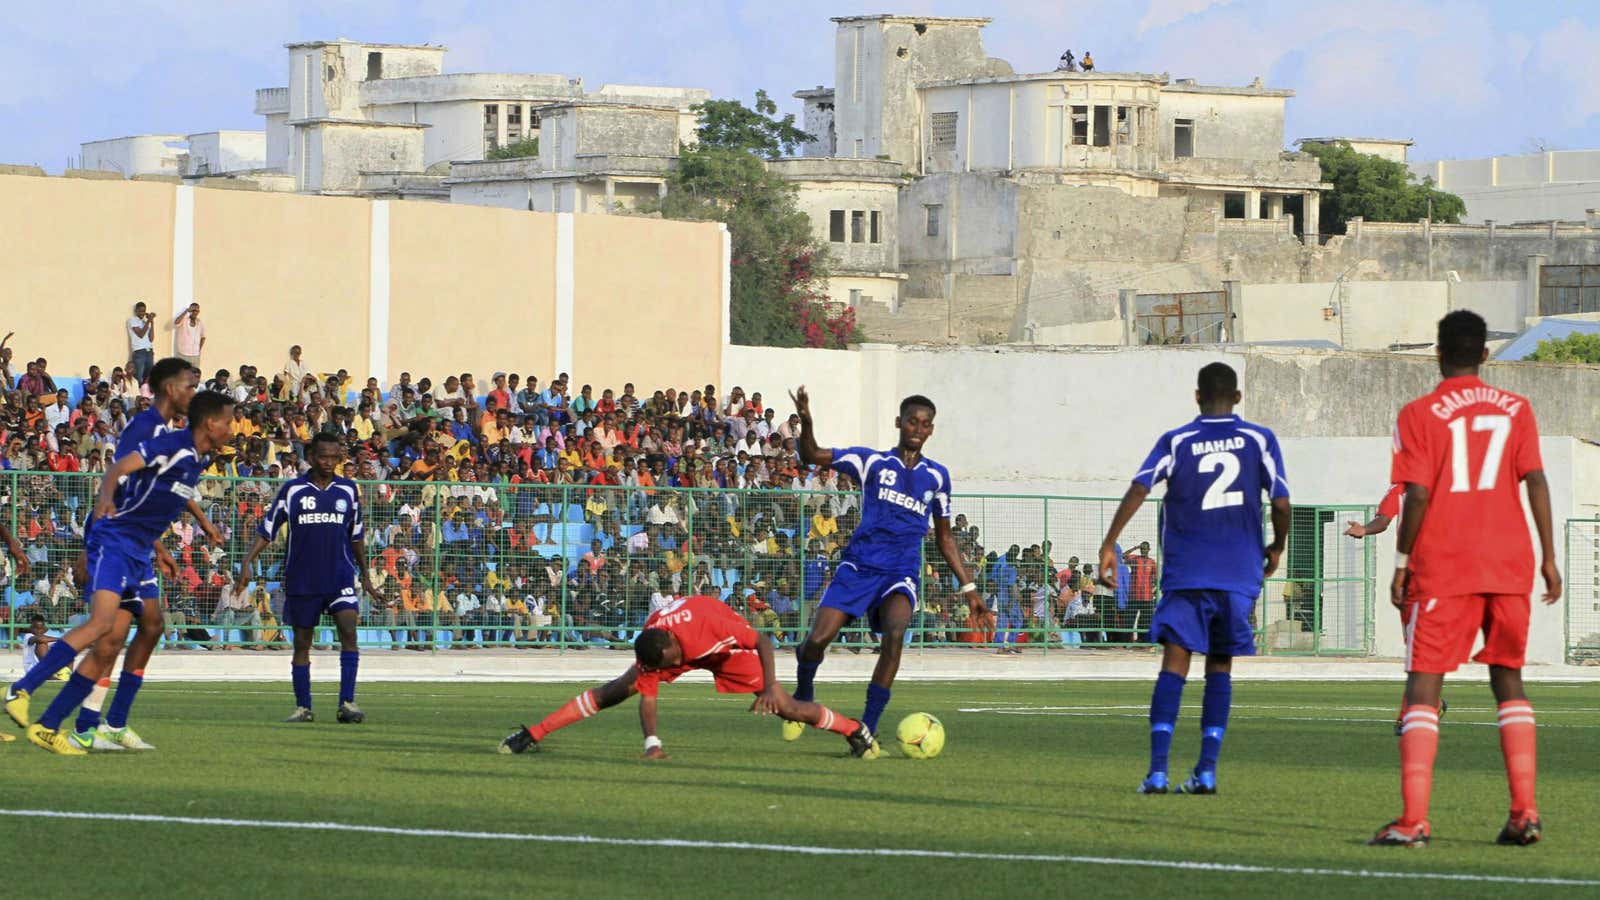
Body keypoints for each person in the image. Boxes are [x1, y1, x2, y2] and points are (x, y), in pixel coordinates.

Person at [1367, 310, 1561, 848]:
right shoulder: (1517, 409)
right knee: (1509, 680)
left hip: (1446, 563)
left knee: (1424, 685)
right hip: (1510, 561)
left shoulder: (1418, 413)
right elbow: (1536, 479)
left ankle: (1413, 821)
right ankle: (1524, 813)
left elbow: (1420, 494)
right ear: (1484, 354)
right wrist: (1549, 556)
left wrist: (1403, 563)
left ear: (1437, 352)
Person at [1098, 362, 1291, 795]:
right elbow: (1280, 501)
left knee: (1175, 663)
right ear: (1237, 398)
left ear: (1197, 396)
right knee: (1220, 666)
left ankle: (1158, 772)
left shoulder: (1178, 440)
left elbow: (1140, 486)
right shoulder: (1260, 439)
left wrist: (1111, 542)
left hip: (1188, 571)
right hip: (1239, 574)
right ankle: (1206, 771)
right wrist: (1277, 546)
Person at [8, 390, 234, 755]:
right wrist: (102, 505)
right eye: (228, 420)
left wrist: (187, 531)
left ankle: (58, 725)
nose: (232, 427)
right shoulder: (163, 438)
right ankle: (24, 688)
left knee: (129, 633)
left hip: (138, 550)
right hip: (114, 541)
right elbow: (118, 469)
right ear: (211, 423)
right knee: (101, 628)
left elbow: (162, 493)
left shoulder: (193, 458)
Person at [783, 387, 987, 755]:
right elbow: (812, 454)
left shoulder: (937, 477)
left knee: (895, 636)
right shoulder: (872, 462)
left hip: (900, 572)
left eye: (925, 424)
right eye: (912, 421)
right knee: (816, 641)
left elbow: (945, 537)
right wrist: (807, 422)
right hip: (859, 566)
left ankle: (866, 731)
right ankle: (803, 695)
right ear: (899, 422)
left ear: (931, 431)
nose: (917, 428)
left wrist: (969, 588)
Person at [498, 594, 874, 758]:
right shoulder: (652, 643)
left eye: (666, 666)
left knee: (788, 709)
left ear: (673, 649)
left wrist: (772, 687)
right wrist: (652, 744)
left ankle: (854, 730)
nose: (664, 674)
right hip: (682, 646)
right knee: (616, 690)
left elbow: (761, 640)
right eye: (660, 669)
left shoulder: (708, 626)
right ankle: (533, 733)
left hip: (727, 651)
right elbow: (648, 698)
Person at [55, 357, 211, 752]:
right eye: (190, 386)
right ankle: (83, 724)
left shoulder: (169, 431)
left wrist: (162, 542)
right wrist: (93, 547)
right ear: (169, 390)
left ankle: (106, 723)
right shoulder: (145, 426)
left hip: (136, 543)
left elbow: (154, 490)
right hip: (117, 539)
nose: (194, 394)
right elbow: (120, 481)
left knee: (149, 627)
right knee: (112, 637)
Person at [239, 432, 377, 723]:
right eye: (323, 456)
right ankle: (303, 707)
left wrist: (365, 574)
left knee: (349, 631)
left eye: (334, 457)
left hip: (340, 575)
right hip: (303, 579)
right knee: (302, 643)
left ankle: (348, 703)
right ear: (311, 457)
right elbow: (267, 530)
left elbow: (357, 536)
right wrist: (247, 562)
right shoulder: (293, 490)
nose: (329, 462)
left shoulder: (349, 490)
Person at [1345, 484, 1450, 737]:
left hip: (1440, 578)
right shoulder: (1399, 490)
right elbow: (1383, 520)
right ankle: (1430, 703)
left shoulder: (1449, 484)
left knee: (1421, 649)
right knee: (1416, 648)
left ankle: (1409, 716)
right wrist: (1365, 530)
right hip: (1411, 580)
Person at [20, 615, 71, 685]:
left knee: (67, 649)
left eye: (41, 629)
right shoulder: (28, 636)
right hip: (32, 670)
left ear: (44, 628)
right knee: (42, 644)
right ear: (31, 627)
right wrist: (61, 639)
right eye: (36, 628)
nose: (38, 631)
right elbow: (40, 639)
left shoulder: (46, 637)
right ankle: (49, 674)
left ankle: (68, 674)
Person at [126, 301, 156, 384]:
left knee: (149, 377)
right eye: (140, 310)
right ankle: (138, 395)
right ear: (136, 311)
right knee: (138, 377)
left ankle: (146, 395)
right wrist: (148, 321)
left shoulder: (145, 322)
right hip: (139, 352)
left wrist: (152, 322)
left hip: (149, 351)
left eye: (144, 311)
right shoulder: (132, 320)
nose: (142, 313)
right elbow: (141, 334)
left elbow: (151, 338)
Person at [173, 302, 206, 367]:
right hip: (183, 354)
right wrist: (186, 311)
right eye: (193, 310)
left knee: (194, 375)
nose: (195, 312)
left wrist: (198, 349)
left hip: (195, 355)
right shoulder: (184, 320)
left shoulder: (200, 322)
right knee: (182, 374)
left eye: (196, 311)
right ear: (190, 310)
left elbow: (203, 337)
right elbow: (176, 322)